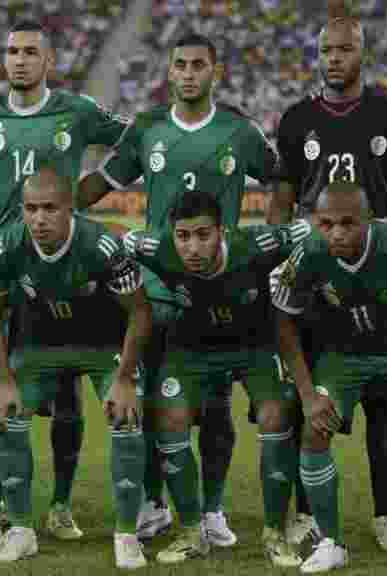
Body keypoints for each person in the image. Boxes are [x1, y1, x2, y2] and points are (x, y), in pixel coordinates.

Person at [78, 32, 285, 546]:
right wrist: (54, 209)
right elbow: (100, 184)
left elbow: (282, 176)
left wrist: (275, 241)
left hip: (223, 291)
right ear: (168, 72)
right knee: (152, 404)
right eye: (180, 65)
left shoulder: (239, 130)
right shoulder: (148, 128)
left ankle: (212, 510)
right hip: (157, 291)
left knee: (214, 409)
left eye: (198, 64)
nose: (189, 73)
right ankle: (152, 502)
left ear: (214, 72)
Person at [267, 1, 387, 552]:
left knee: (381, 400)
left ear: (363, 53)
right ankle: (303, 514)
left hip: (378, 269)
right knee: (306, 396)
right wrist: (279, 262)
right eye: (326, 51)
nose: (334, 59)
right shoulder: (295, 119)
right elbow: (283, 199)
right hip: (316, 274)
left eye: (344, 49)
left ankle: (385, 516)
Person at [0, 20, 131, 543]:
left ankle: (58, 505)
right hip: (5, 268)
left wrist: (94, 189)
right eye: (12, 51)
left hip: (62, 270)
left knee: (67, 395)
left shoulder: (76, 111)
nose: (19, 60)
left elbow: (136, 139)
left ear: (49, 61)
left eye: (31, 52)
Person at [272, 181, 387, 575]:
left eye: (347, 224)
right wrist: (307, 394)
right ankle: (331, 543)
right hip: (342, 357)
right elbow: (282, 317)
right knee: (314, 429)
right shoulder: (308, 250)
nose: (336, 233)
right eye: (326, 224)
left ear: (368, 221)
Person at [122, 190, 309, 566]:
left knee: (277, 414)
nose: (192, 247)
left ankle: (275, 534)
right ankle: (193, 531)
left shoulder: (258, 244)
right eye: (183, 236)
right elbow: (112, 240)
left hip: (255, 346)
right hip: (190, 348)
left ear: (222, 231)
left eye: (203, 235)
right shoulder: (155, 248)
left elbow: (308, 231)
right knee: (169, 418)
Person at [0, 167, 152, 568]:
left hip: (102, 347)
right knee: (7, 414)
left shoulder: (103, 245)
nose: (39, 219)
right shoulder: (6, 245)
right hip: (39, 347)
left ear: (71, 208)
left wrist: (124, 378)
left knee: (127, 416)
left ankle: (126, 533)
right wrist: (3, 382)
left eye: (50, 209)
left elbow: (141, 312)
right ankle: (21, 530)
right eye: (31, 209)